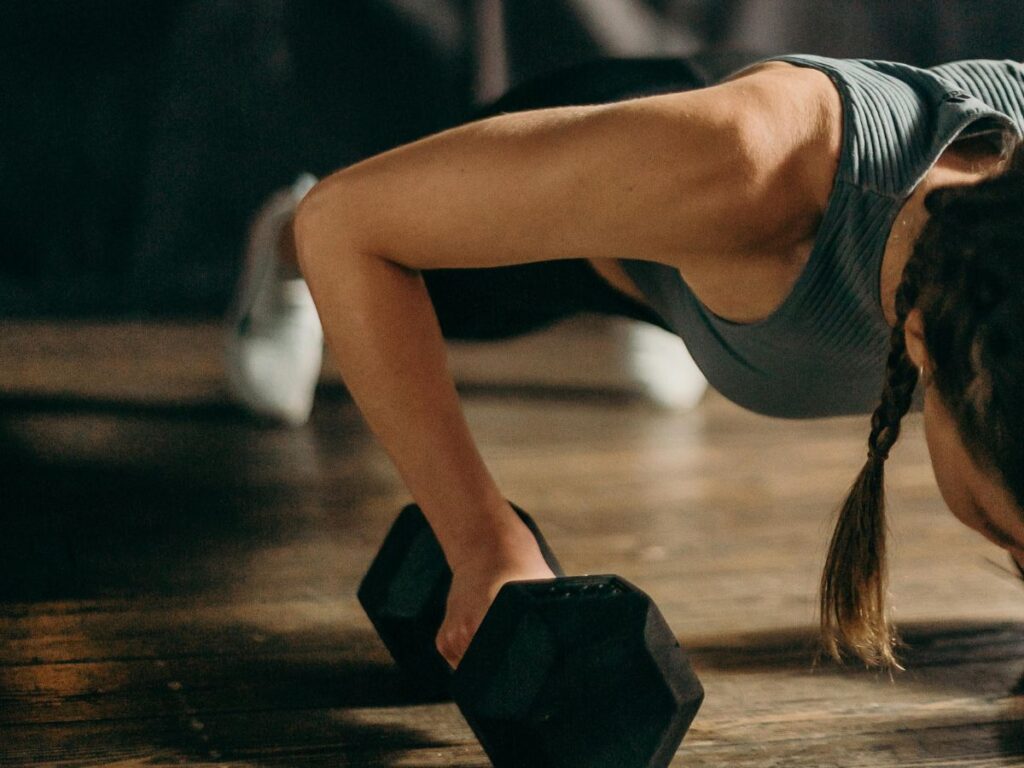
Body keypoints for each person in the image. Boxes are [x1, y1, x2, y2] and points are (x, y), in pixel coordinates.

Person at [230, 53, 1024, 670]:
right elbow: (349, 225)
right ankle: (277, 239)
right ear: (923, 344)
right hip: (656, 151)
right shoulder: (755, 173)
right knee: (356, 232)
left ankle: (684, 299)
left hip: (717, 213)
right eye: (1012, 540)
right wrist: (482, 543)